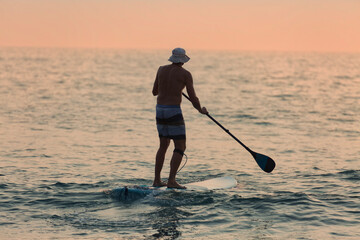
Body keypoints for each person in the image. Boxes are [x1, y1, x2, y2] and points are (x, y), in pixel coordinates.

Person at [152, 48, 208, 189]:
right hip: (173, 111)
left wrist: (170, 87)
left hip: (160, 110)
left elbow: (155, 92)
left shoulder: (161, 69)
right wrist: (201, 110)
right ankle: (171, 181)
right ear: (183, 60)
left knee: (163, 146)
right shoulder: (185, 74)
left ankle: (157, 180)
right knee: (180, 146)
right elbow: (193, 98)